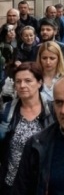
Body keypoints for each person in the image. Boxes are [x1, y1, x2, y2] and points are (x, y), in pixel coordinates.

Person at [0, 62, 55, 192]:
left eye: (28, 81)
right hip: (12, 182)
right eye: (18, 81)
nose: (22, 85)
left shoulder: (52, 110)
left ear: (39, 83)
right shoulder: (7, 110)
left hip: (44, 183)